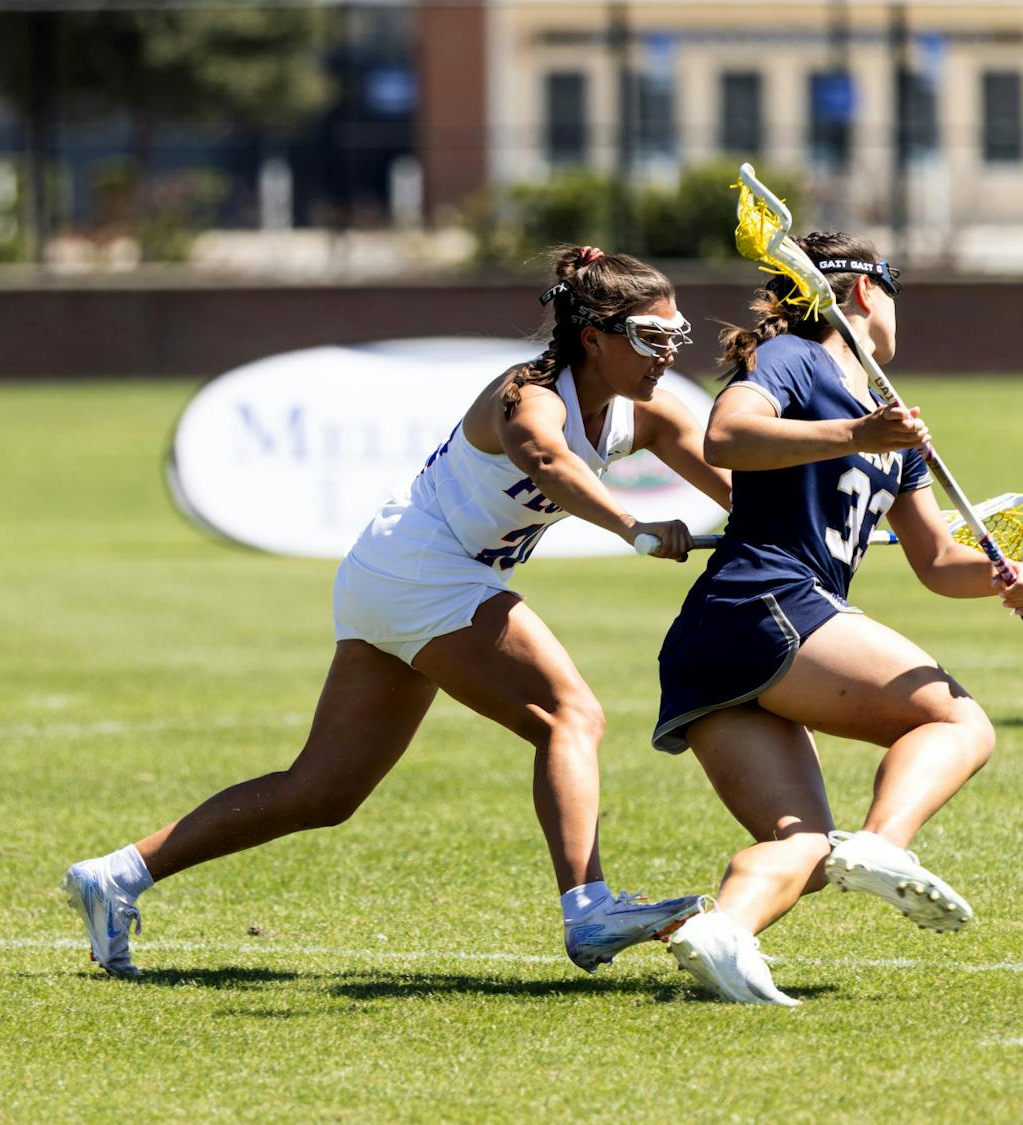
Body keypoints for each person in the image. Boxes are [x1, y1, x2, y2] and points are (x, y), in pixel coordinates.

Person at [63, 245, 732, 978]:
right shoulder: (527, 395)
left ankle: (117, 874)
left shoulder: (643, 413)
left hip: (394, 572)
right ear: (593, 337)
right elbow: (548, 460)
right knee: (569, 714)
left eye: (676, 336)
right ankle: (588, 908)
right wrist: (632, 523)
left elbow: (721, 474)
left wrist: (792, 526)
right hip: (426, 571)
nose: (667, 354)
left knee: (322, 790)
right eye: (650, 337)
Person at [648, 233, 1023, 1005]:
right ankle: (884, 844)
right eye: (895, 292)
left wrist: (1005, 577)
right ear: (865, 292)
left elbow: (936, 559)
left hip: (722, 641)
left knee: (801, 844)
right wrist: (859, 435)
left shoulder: (895, 423)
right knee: (960, 723)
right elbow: (724, 436)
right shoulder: (799, 358)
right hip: (768, 599)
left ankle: (723, 930)